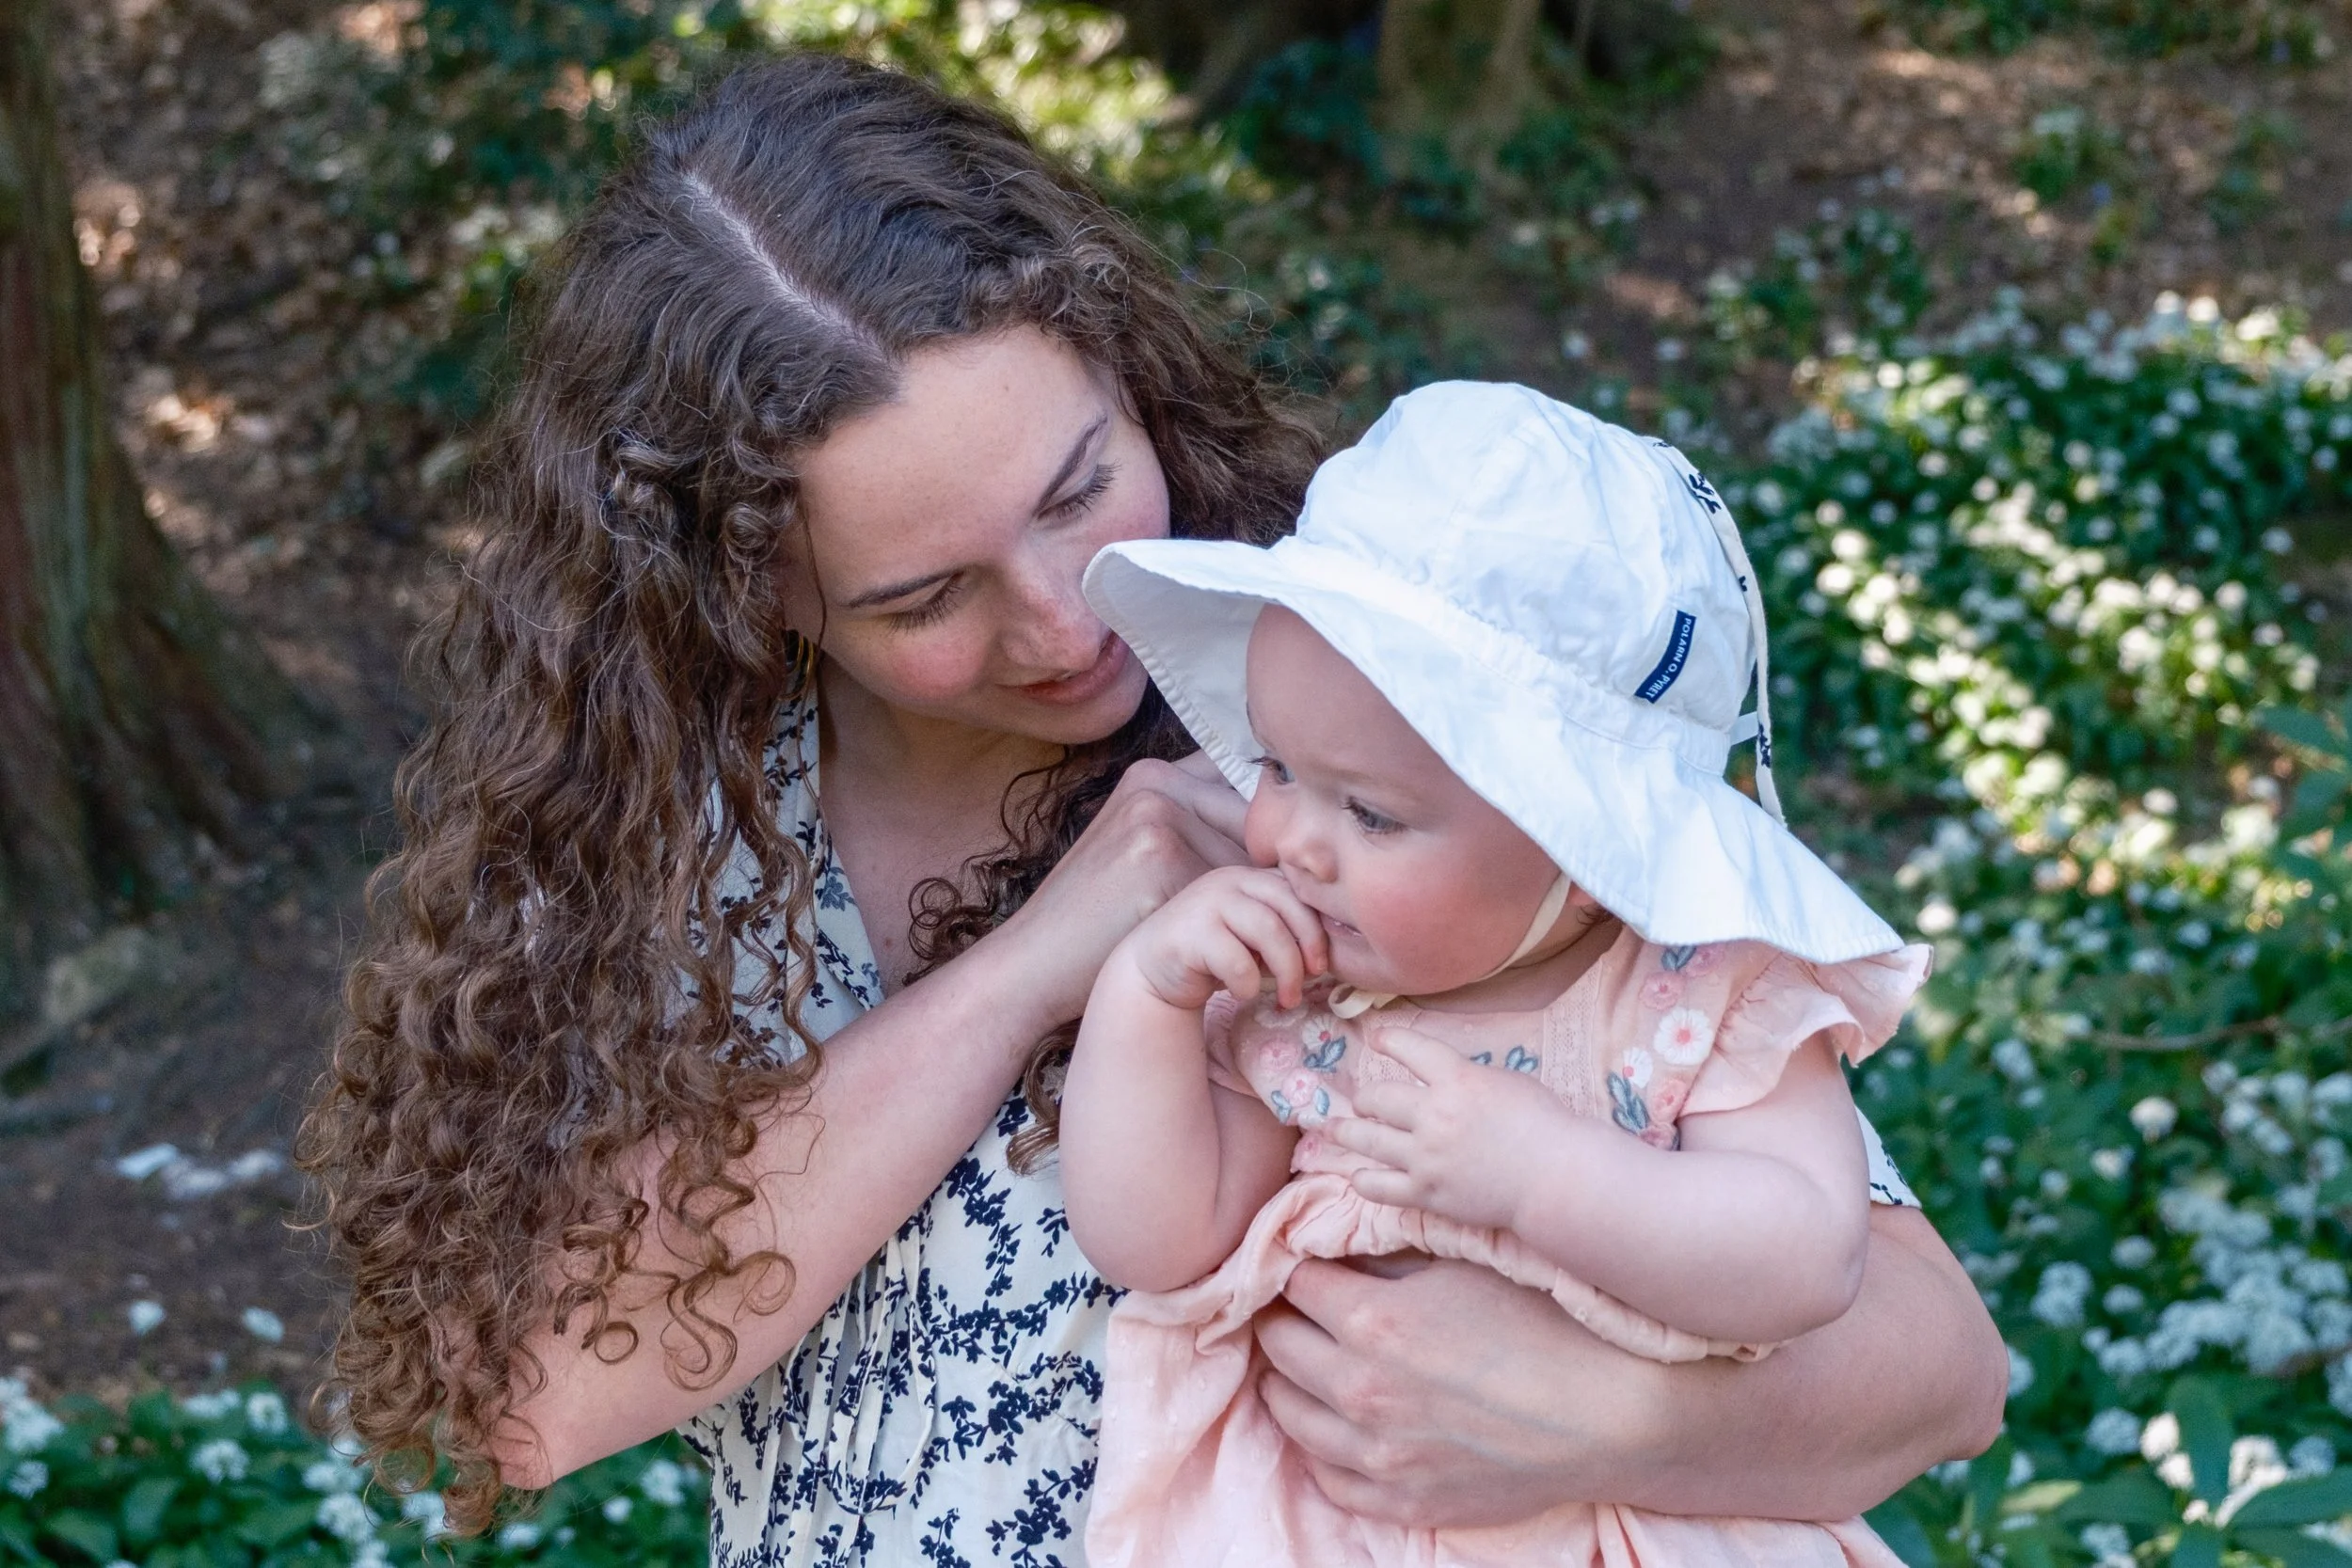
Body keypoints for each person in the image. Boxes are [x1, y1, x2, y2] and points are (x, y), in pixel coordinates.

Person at [300, 53, 2008, 1566]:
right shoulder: (682, 843)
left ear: (1132, 372)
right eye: (922, 598)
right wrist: (1031, 968)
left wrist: (1610, 1423)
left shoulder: (1368, 699)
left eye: (1082, 485)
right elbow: (528, 1397)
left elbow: (1937, 1362)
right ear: (751, 591)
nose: (1071, 616)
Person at [1066, 381, 1932, 1567]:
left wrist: (1536, 1174)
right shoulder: (1305, 998)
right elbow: (1154, 1240)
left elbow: (1805, 1256)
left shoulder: (1693, 996)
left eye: (1370, 813)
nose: (1288, 840)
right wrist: (1145, 998)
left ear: (1587, 853)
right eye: (1276, 766)